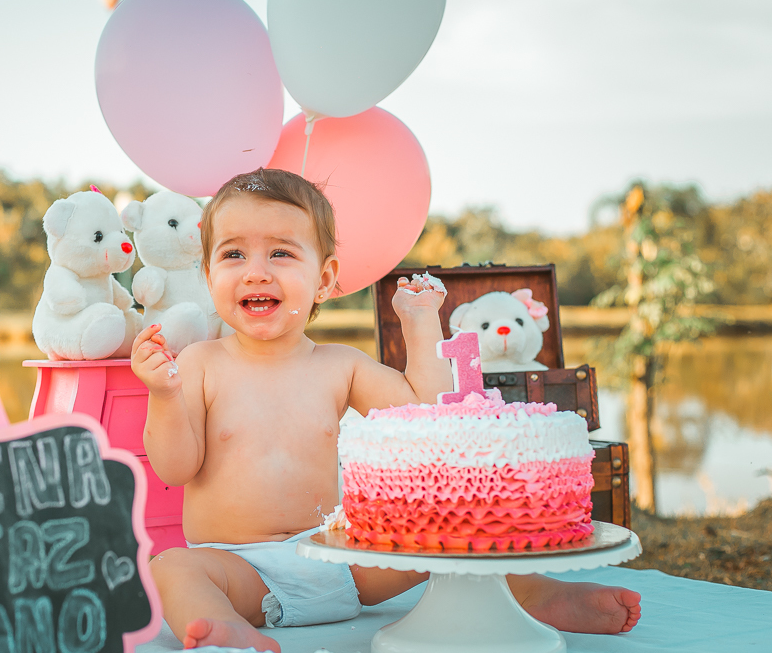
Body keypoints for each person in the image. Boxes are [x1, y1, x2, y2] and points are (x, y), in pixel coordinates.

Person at [131, 168, 641, 652]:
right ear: (207, 273)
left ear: (326, 278)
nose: (256, 272)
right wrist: (165, 394)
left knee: (455, 528)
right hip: (240, 569)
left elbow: (427, 408)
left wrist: (419, 323)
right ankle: (224, 628)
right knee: (172, 568)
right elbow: (176, 467)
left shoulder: (340, 365)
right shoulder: (199, 363)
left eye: (282, 253)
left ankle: (533, 594)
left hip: (344, 558)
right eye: (234, 254)